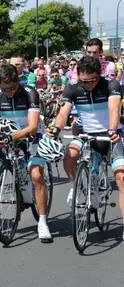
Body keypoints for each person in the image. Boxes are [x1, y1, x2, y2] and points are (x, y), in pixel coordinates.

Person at [46, 56, 124, 240]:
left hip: (110, 134)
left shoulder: (111, 85)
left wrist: (112, 130)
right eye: (83, 81)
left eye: (92, 80)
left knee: (121, 177)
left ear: (100, 74)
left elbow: (114, 109)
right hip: (86, 134)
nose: (88, 84)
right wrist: (55, 128)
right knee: (69, 156)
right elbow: (63, 112)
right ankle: (78, 185)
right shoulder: (73, 88)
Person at [0, 64, 53, 243]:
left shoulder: (30, 93)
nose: (9, 92)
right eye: (5, 89)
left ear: (18, 81)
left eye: (12, 88)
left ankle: (42, 221)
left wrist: (10, 137)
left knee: (36, 174)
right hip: (5, 137)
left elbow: (33, 126)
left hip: (29, 138)